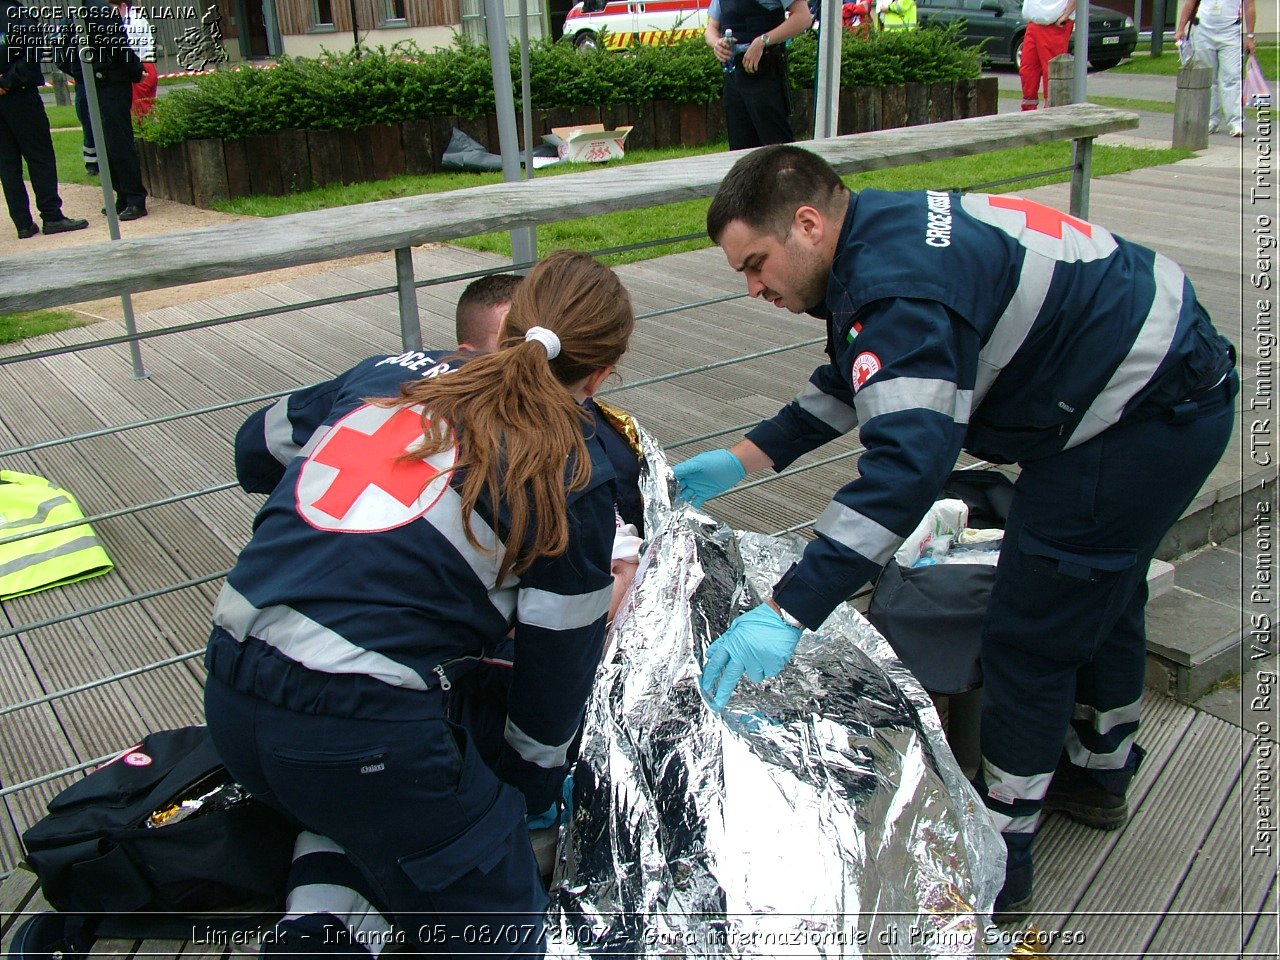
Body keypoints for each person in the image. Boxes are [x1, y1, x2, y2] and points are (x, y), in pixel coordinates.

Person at [675, 145, 1236, 923]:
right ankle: (1096, 774)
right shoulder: (881, 230)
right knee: (1101, 588)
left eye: (757, 264)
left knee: (1029, 637)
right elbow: (857, 373)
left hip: (1138, 416)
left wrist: (790, 609)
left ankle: (1002, 860)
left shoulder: (894, 286)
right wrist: (742, 460)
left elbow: (905, 469)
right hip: (1155, 376)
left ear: (806, 223)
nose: (755, 288)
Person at [205, 250, 635, 957]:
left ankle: (315, 935)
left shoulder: (385, 372)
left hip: (232, 690)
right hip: (358, 728)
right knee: (495, 902)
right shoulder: (572, 462)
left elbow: (255, 446)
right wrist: (527, 798)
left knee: (358, 815)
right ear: (602, 375)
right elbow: (557, 674)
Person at [0, 3, 90, 239]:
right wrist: (8, 81)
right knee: (39, 156)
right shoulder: (17, 14)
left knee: (7, 163)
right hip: (20, 95)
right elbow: (31, 55)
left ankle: (22, 223)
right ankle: (51, 215)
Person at [58, 0, 148, 218]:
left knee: (117, 142)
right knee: (107, 144)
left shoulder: (89, 11)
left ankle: (134, 198)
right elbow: (62, 52)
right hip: (98, 83)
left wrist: (135, 71)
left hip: (109, 85)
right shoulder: (80, 13)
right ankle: (123, 196)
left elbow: (117, 46)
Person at [705, 0, 813, 150]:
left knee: (778, 149)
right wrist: (716, 43)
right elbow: (711, 27)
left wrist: (763, 40)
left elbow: (803, 18)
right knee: (741, 152)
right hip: (734, 74)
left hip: (765, 71)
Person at [1176, 0, 1256, 137]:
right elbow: (1190, 2)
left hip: (1231, 31)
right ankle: (1210, 120)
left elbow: (1249, 7)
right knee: (1208, 78)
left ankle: (1236, 122)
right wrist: (1181, 28)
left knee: (1232, 77)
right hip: (1203, 30)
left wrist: (1250, 36)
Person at [1019, 0, 1075, 111]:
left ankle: (1051, 111)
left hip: (1054, 26)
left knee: (1051, 72)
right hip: (1034, 23)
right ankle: (1028, 109)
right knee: (1027, 69)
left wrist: (1066, 15)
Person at [116, 0, 158, 119]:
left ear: (123, 6)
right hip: (147, 64)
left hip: (139, 65)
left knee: (138, 111)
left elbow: (127, 49)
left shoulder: (130, 22)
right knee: (148, 107)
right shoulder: (137, 18)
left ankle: (143, 135)